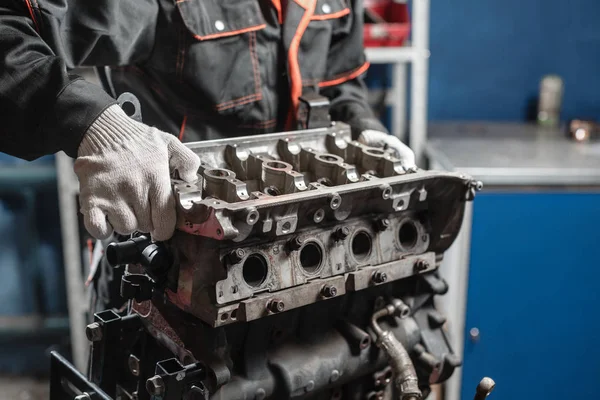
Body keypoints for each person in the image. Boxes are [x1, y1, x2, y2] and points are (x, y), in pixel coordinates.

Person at [0, 0, 415, 242]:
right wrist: (95, 124)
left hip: (309, 231)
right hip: (174, 241)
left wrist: (364, 127)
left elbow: (337, 81)